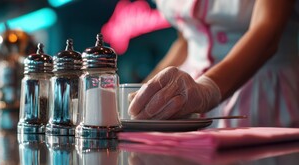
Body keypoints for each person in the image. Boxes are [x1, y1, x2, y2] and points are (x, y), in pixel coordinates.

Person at [128, 0, 299, 128]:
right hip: (187, 99)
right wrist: (139, 91)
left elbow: (268, 30)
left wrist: (206, 90)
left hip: (263, 95)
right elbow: (188, 39)